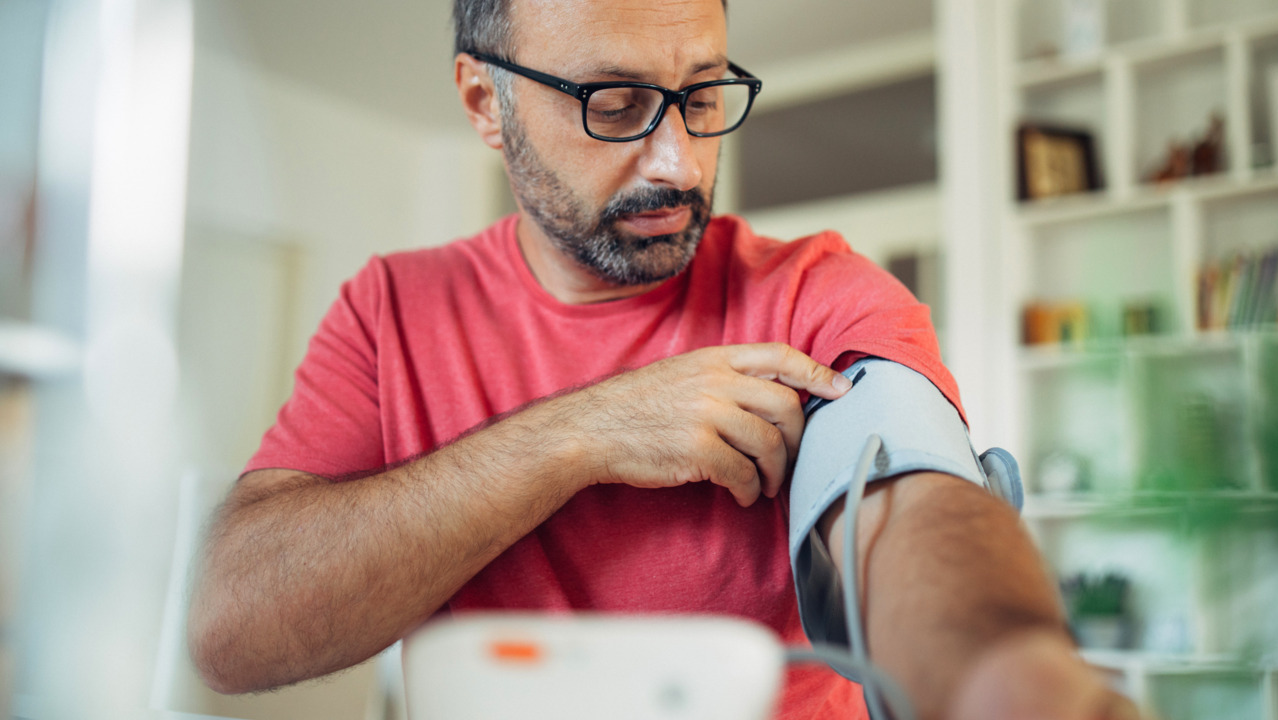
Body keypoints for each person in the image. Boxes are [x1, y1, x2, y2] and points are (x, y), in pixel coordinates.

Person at [187, 0, 1136, 718]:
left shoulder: (820, 293)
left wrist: (1009, 676)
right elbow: (231, 627)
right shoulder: (393, 308)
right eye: (619, 103)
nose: (679, 161)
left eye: (703, 94)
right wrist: (586, 431)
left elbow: (908, 507)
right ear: (486, 101)